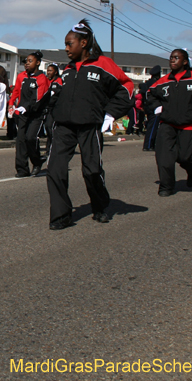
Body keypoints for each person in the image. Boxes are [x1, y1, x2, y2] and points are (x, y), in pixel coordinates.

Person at [46, 19, 133, 229]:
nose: (66, 48)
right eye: (65, 44)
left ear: (83, 43)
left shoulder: (104, 64)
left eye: (70, 43)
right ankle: (61, 216)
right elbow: (53, 95)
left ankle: (100, 206)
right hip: (64, 127)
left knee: (92, 171)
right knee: (55, 170)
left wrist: (111, 114)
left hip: (90, 126)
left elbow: (126, 86)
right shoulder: (66, 70)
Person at [146, 49, 192, 197]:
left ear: (185, 61)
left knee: (185, 157)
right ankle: (166, 186)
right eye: (171, 58)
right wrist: (157, 108)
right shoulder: (163, 81)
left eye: (176, 58)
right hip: (167, 124)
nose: (172, 60)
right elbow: (150, 93)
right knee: (164, 157)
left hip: (188, 124)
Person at [10, 52, 50, 177]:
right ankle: (22, 169)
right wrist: (11, 103)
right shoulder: (22, 76)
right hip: (22, 114)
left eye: (30, 61)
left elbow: (38, 98)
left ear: (38, 63)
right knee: (21, 141)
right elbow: (16, 91)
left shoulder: (42, 79)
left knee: (30, 138)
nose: (27, 63)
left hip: (36, 114)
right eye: (26, 61)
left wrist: (26, 107)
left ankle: (37, 161)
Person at [139, 65, 162, 151]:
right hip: (154, 107)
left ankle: (151, 144)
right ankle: (148, 145)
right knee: (153, 127)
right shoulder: (156, 83)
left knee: (151, 125)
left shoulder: (147, 83)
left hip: (147, 107)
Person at [43, 63, 61, 154]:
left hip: (56, 109)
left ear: (55, 72)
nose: (48, 72)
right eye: (47, 70)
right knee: (47, 127)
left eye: (50, 70)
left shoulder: (59, 81)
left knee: (50, 127)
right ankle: (49, 148)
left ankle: (53, 148)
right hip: (47, 108)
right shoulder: (46, 81)